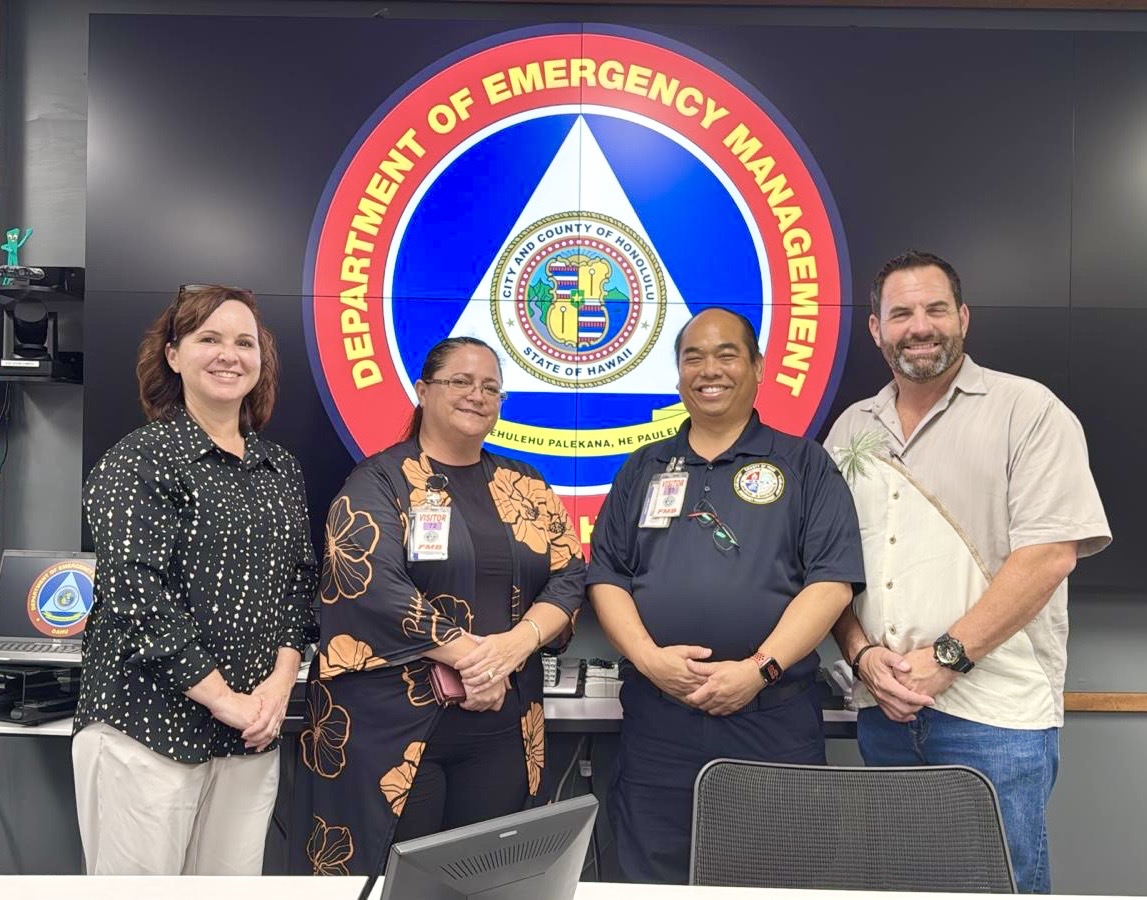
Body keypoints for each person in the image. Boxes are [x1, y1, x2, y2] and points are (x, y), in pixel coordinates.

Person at [826, 250, 1111, 894]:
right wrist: (863, 656)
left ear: (963, 318)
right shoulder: (849, 430)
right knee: (901, 886)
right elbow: (830, 572)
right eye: (900, 313)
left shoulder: (1027, 411)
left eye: (934, 309)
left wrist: (946, 658)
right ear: (876, 329)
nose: (918, 326)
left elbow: (1049, 556)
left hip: (995, 718)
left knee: (998, 885)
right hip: (886, 712)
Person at [587, 307, 865, 885]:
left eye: (726, 354)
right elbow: (607, 576)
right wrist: (648, 659)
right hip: (659, 722)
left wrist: (759, 669)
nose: (708, 370)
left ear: (758, 368)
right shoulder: (644, 467)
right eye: (693, 357)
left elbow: (831, 582)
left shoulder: (805, 464)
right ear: (678, 373)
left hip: (771, 720)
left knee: (773, 880)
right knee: (651, 877)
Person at [302, 336, 585, 877]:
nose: (477, 395)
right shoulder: (378, 481)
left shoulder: (524, 484)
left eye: (490, 387)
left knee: (492, 879)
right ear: (422, 389)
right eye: (461, 381)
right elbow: (368, 583)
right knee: (399, 882)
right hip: (395, 731)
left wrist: (513, 647)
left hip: (503, 728)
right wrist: (477, 660)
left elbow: (570, 576)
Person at [73, 284, 317, 875]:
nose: (228, 354)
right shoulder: (138, 460)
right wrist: (225, 700)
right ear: (174, 355)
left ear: (262, 363)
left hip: (249, 735)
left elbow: (300, 584)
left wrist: (277, 690)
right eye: (209, 339)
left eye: (244, 342)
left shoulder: (278, 468)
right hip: (145, 729)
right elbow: (137, 595)